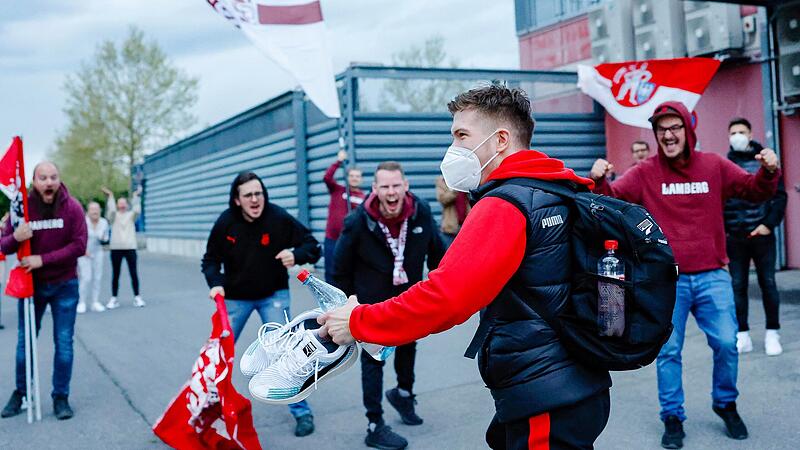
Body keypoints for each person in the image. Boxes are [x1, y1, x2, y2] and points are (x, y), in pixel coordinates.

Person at [320, 85, 612, 450]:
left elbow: (446, 297)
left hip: (543, 390)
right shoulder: (558, 188)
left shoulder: (506, 204)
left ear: (501, 139)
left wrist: (360, 321)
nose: (453, 149)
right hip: (574, 382)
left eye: (461, 136)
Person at [587, 102, 780, 448]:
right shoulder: (646, 172)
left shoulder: (714, 166)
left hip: (712, 274)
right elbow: (613, 201)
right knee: (669, 351)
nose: (668, 134)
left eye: (674, 127)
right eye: (661, 129)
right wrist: (600, 179)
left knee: (725, 342)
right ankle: (672, 416)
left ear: (688, 131)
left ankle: (726, 403)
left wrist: (768, 171)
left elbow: (755, 190)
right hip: (666, 281)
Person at [331, 161, 445, 450]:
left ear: (405, 186)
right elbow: (338, 269)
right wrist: (348, 304)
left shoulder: (420, 213)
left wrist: (441, 289)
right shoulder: (357, 222)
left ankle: (404, 395)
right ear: (375, 189)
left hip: (409, 302)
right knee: (374, 362)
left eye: (396, 185)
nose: (391, 192)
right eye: (385, 186)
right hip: (372, 308)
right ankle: (374, 424)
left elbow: (438, 257)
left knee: (409, 349)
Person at [201, 171, 321, 437]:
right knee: (220, 353)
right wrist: (215, 283)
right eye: (249, 195)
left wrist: (296, 254)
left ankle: (301, 411)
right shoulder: (226, 223)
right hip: (235, 297)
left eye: (259, 194)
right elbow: (209, 260)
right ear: (237, 200)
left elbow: (313, 245)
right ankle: (205, 411)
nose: (256, 200)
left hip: (273, 295)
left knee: (287, 356)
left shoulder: (278, 217)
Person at [0, 161, 87, 420]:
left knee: (64, 343)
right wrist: (17, 237)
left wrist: (43, 259)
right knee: (24, 344)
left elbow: (79, 246)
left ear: (59, 179)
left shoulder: (72, 208)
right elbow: (3, 246)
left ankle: (61, 397)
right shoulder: (21, 209)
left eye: (53, 177)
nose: (49, 182)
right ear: (34, 182)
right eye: (43, 178)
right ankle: (21, 393)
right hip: (32, 286)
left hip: (65, 285)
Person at [724, 117, 787, 356]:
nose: (737, 136)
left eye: (741, 131)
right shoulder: (725, 163)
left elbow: (780, 196)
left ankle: (773, 333)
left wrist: (768, 225)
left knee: (768, 283)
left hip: (761, 235)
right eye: (733, 132)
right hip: (735, 236)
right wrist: (725, 230)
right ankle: (743, 335)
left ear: (750, 135)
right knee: (737, 285)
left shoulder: (766, 162)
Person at [323, 149, 365, 282]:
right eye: (351, 176)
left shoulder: (363, 198)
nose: (354, 178)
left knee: (347, 271)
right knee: (330, 272)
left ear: (361, 179)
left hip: (350, 241)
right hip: (332, 239)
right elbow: (327, 177)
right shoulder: (338, 190)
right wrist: (339, 161)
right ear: (347, 177)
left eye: (357, 176)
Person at [102, 187, 144, 309]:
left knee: (133, 273)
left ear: (127, 205)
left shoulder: (131, 216)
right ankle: (114, 298)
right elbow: (111, 211)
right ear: (117, 205)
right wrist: (110, 196)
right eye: (119, 203)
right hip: (116, 248)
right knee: (116, 274)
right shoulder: (113, 217)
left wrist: (136, 196)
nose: (122, 205)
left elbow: (137, 210)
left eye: (124, 203)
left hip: (130, 247)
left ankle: (137, 297)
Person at [77, 202, 109, 314]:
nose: (95, 211)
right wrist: (83, 250)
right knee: (86, 277)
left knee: (97, 277)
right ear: (88, 211)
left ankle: (95, 301)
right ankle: (81, 302)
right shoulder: (83, 222)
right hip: (84, 252)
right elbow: (77, 237)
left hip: (98, 252)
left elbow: (105, 239)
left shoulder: (104, 222)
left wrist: (104, 238)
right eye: (92, 209)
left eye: (97, 209)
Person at [435, 175, 470, 249]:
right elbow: (443, 199)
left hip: (467, 226)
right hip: (450, 228)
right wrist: (455, 189)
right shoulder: (442, 181)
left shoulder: (466, 179)